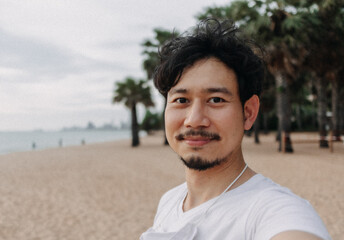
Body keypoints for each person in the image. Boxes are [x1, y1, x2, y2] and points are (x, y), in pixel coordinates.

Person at [140, 19, 331, 240]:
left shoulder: (274, 210)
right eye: (181, 99)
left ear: (248, 112)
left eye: (216, 99)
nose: (194, 120)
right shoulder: (170, 201)